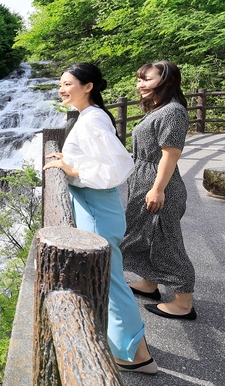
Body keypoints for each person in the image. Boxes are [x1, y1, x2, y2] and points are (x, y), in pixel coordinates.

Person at [43, 63, 157, 374]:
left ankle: (137, 355)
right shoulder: (88, 117)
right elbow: (95, 156)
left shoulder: (92, 119)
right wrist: (67, 158)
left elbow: (118, 166)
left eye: (68, 84)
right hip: (96, 205)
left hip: (96, 207)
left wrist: (72, 170)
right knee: (108, 274)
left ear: (88, 86)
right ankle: (128, 346)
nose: (62, 89)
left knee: (110, 279)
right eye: (60, 85)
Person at [121, 61, 197, 320]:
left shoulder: (173, 112)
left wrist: (157, 190)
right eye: (139, 79)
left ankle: (183, 302)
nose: (140, 84)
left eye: (147, 79)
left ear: (167, 81)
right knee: (144, 235)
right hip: (144, 181)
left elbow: (170, 154)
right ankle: (149, 284)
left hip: (158, 184)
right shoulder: (159, 109)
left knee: (166, 241)